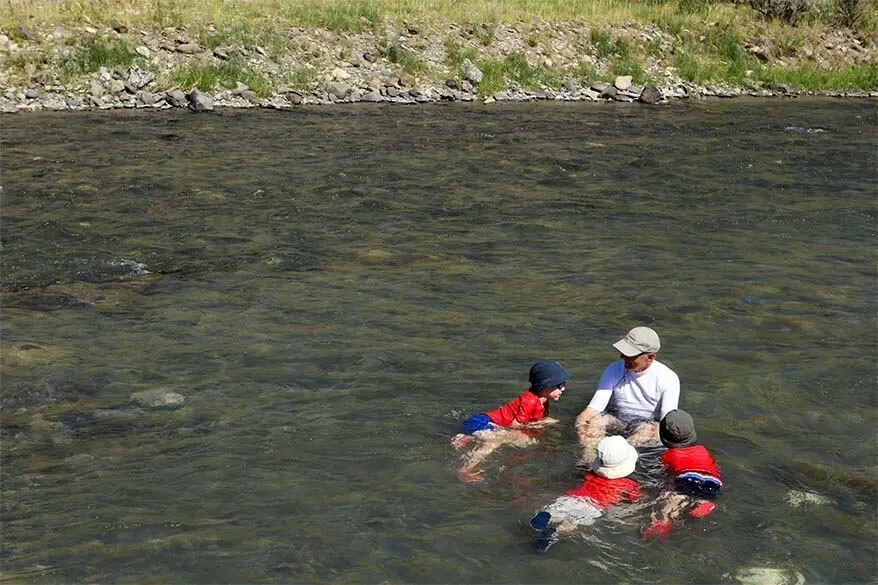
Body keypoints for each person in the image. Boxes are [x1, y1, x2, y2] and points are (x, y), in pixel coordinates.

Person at [451, 360, 570, 482]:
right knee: (496, 441)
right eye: (560, 385)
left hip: (487, 424)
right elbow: (515, 425)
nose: (564, 388)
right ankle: (465, 469)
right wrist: (543, 423)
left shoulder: (543, 402)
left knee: (526, 442)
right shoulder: (530, 401)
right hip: (481, 423)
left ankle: (468, 437)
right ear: (545, 386)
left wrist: (542, 423)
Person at [575, 326, 679, 459]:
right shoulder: (613, 369)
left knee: (647, 429)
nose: (623, 357)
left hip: (646, 427)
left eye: (630, 355)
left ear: (650, 357)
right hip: (618, 421)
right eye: (623, 353)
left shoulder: (668, 378)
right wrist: (582, 426)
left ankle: (616, 456)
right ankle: (589, 458)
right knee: (595, 420)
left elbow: (666, 423)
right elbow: (593, 409)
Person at [528, 435, 642, 551]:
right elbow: (634, 500)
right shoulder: (629, 485)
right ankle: (555, 532)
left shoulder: (591, 473)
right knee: (572, 523)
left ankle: (547, 515)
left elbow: (581, 471)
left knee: (558, 509)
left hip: (574, 496)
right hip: (594, 506)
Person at [641, 409, 723, 540]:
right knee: (702, 493)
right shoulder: (703, 450)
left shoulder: (667, 455)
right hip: (713, 481)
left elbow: (663, 475)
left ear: (663, 438)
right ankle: (703, 503)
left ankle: (663, 521)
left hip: (687, 477)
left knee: (672, 498)